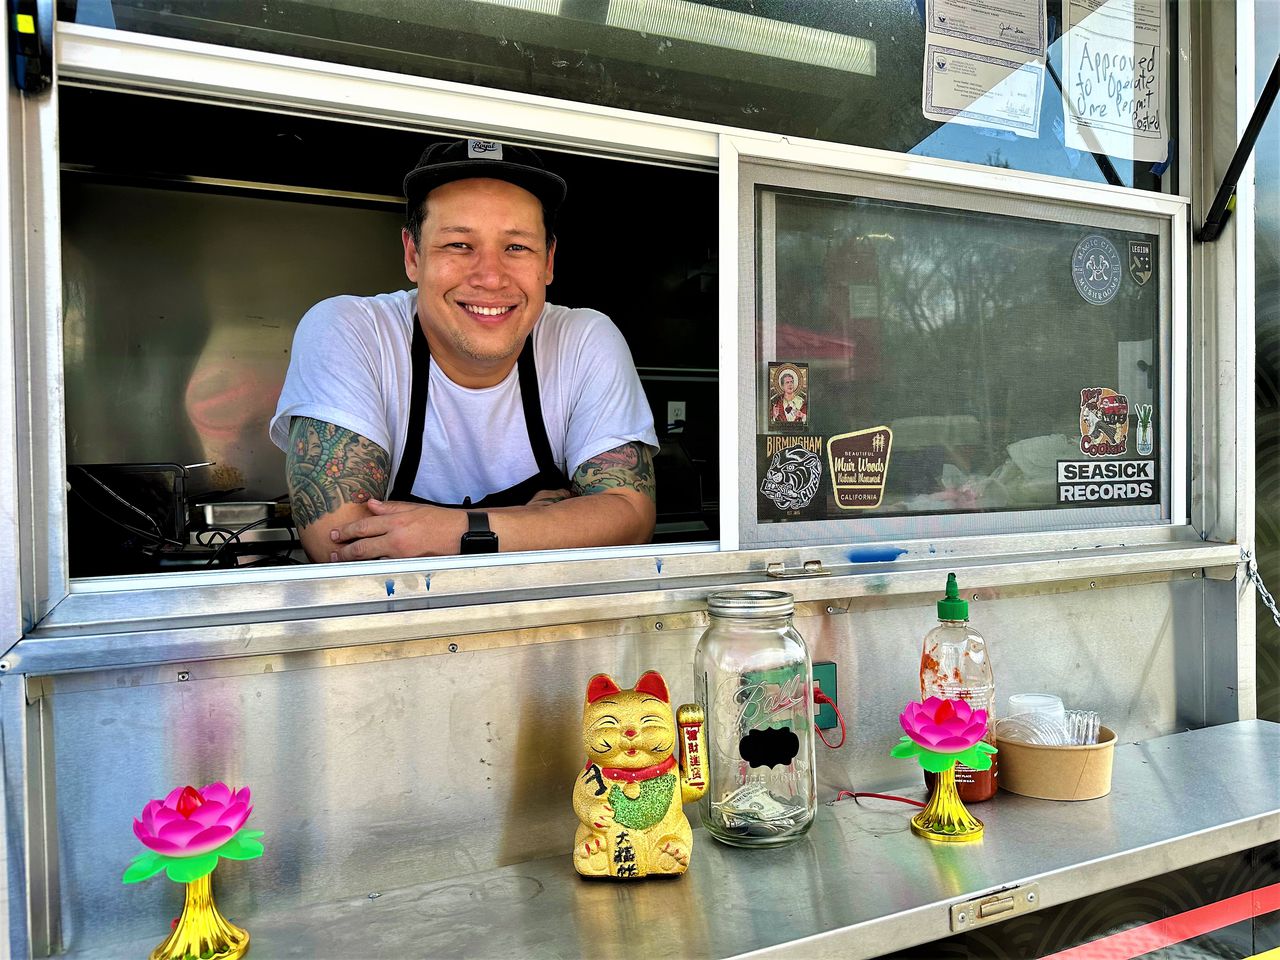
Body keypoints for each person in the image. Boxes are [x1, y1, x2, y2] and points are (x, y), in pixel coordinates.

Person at [269, 138, 658, 561]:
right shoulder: (352, 331)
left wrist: (450, 530)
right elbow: (338, 542)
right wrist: (530, 523)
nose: (490, 278)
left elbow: (628, 518)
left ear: (548, 262)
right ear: (413, 255)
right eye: (459, 245)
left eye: (516, 247)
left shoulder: (583, 339)